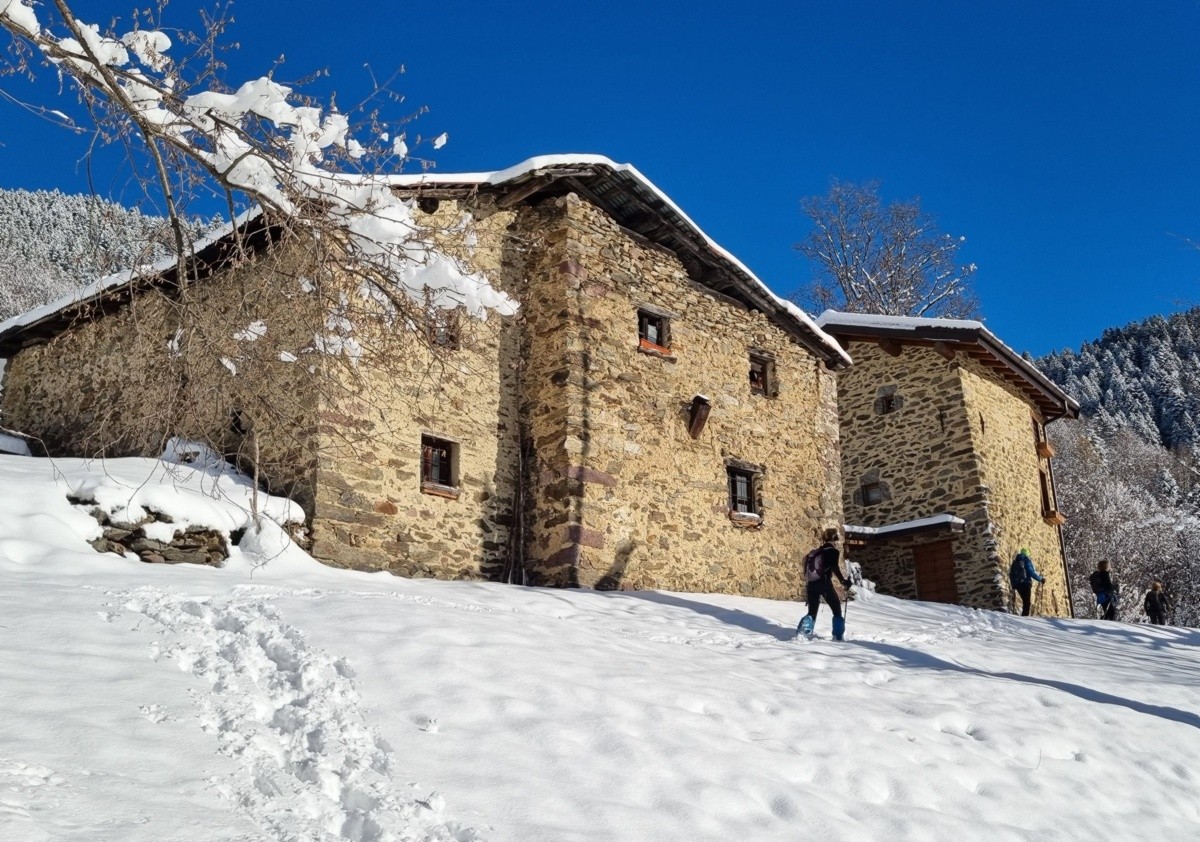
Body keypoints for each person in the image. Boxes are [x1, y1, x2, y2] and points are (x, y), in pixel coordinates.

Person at [797, 528, 853, 640]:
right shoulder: (833, 551)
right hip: (825, 585)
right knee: (837, 609)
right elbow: (834, 567)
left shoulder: (816, 551)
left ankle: (803, 633)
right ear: (834, 539)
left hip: (811, 585)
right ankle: (838, 636)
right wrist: (843, 582)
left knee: (812, 612)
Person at [1009, 547, 1045, 617]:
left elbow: (1011, 574)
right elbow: (1031, 572)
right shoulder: (1027, 561)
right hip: (1026, 583)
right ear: (1027, 554)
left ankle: (1024, 616)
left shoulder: (1015, 561)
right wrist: (1040, 579)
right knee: (1027, 603)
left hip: (1018, 584)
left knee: (1025, 601)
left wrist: (1014, 585)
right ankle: (1025, 618)